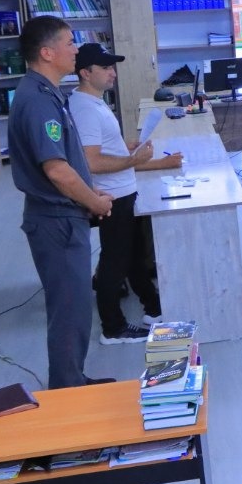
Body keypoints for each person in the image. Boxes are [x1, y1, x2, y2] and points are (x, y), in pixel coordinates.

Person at [8, 16, 113, 388]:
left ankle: (73, 381)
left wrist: (91, 193)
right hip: (56, 221)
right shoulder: (38, 101)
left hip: (64, 218)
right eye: (69, 42)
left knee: (76, 309)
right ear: (47, 52)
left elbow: (71, 161)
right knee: (69, 312)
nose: (76, 49)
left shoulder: (49, 93)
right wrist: (95, 201)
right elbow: (57, 171)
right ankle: (68, 394)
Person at [69, 43, 184, 344]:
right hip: (112, 195)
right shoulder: (85, 108)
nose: (113, 73)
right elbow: (91, 162)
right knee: (114, 262)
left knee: (133, 255)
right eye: (105, 68)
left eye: (112, 67)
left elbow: (100, 151)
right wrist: (133, 159)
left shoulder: (94, 102)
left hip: (123, 191)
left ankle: (153, 307)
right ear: (85, 73)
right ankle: (113, 328)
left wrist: (125, 150)